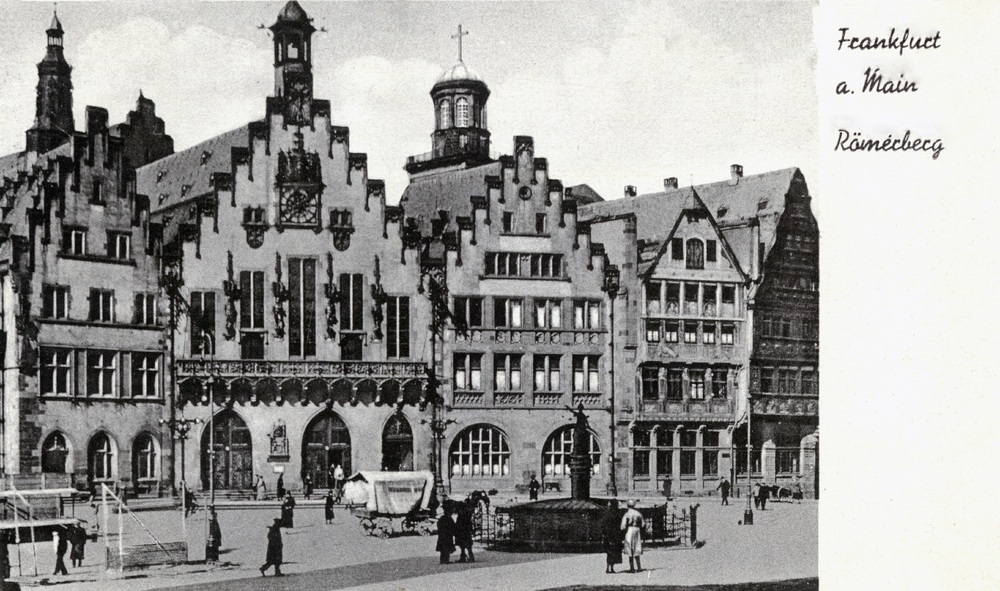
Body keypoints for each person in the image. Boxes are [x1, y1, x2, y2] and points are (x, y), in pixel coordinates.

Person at [620, 500, 643, 573]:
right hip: (637, 529)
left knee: (630, 547)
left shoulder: (627, 514)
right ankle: (639, 567)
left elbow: (623, 526)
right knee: (637, 547)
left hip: (630, 529)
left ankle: (632, 567)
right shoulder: (638, 513)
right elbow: (643, 524)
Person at [601, 500, 623, 574]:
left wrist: (604, 533)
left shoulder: (606, 513)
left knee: (609, 552)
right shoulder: (618, 514)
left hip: (608, 534)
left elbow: (603, 524)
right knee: (614, 551)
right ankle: (612, 568)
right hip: (616, 535)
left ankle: (608, 567)